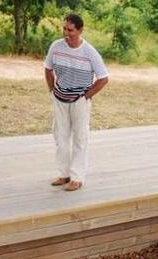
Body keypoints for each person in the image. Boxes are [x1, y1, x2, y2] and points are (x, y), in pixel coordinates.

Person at [44, 13, 109, 192]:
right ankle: (63, 173)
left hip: (79, 100)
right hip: (59, 98)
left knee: (80, 138)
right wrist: (52, 91)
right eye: (64, 28)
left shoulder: (89, 52)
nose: (66, 33)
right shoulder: (56, 47)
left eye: (70, 30)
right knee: (60, 137)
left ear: (80, 30)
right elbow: (48, 70)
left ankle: (77, 177)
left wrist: (86, 96)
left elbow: (103, 78)